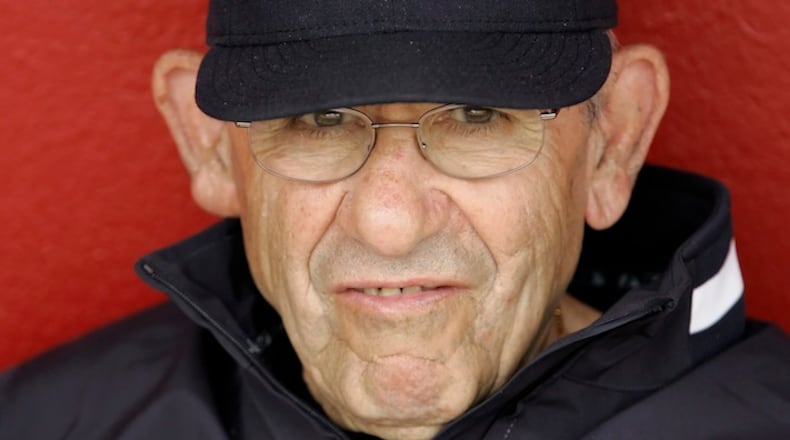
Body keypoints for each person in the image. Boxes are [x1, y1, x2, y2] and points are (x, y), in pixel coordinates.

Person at [2, 0, 789, 438]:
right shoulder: (44, 424)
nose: (390, 223)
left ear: (611, 141)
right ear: (210, 146)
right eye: (318, 122)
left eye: (477, 116)